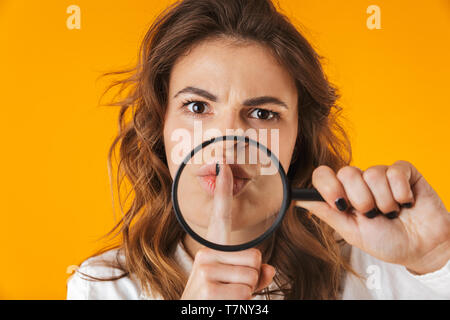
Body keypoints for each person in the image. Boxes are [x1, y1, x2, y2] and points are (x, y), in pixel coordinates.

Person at [66, 0, 450, 300]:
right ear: (159, 126)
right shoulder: (102, 287)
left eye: (263, 113)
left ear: (298, 138)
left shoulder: (380, 268)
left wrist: (435, 259)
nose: (230, 139)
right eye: (198, 107)